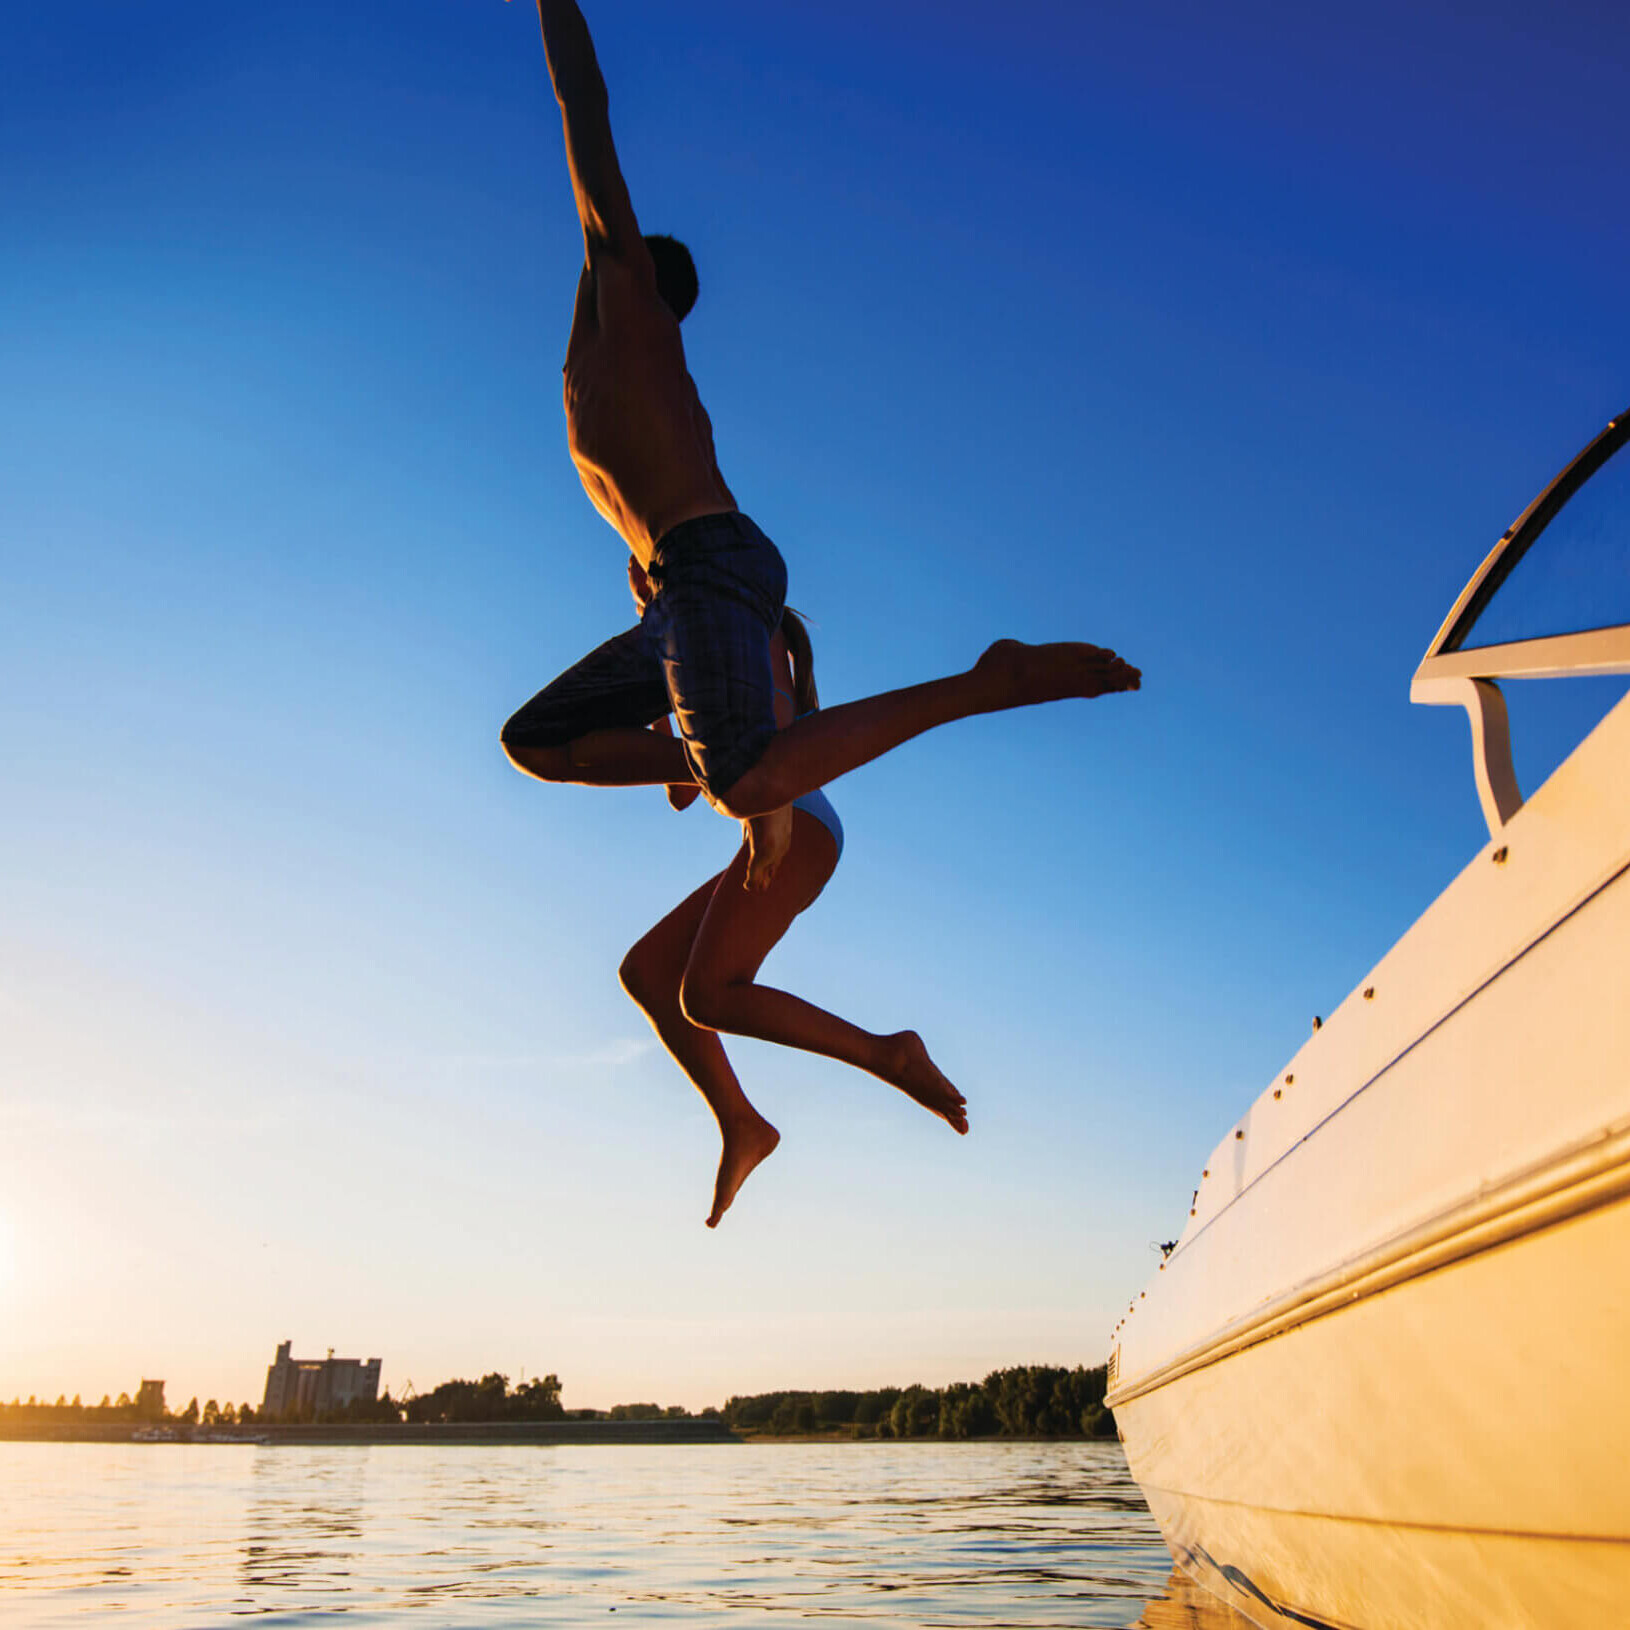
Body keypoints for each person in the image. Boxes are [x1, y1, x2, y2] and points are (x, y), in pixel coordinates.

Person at [500, 0, 1141, 896]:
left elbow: (585, 113)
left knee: (744, 780)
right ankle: (707, 758)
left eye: (607, 259)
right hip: (682, 588)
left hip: (710, 565)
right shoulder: (590, 377)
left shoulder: (633, 312)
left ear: (640, 278)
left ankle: (981, 682)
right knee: (536, 741)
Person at [615, 559, 966, 1228]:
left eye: (646, 561)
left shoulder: (739, 625)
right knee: (649, 971)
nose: (635, 569)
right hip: (797, 823)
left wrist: (659, 640)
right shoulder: (695, 636)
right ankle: (742, 1123)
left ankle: (887, 1053)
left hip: (798, 821)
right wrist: (657, 678)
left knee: (709, 994)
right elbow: (684, 792)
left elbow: (754, 748)